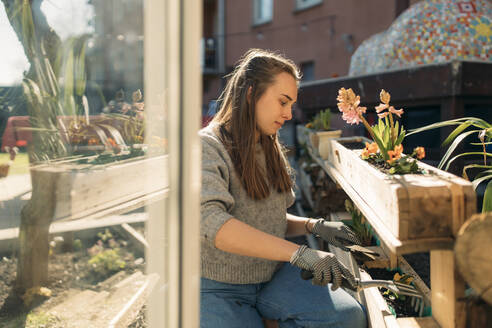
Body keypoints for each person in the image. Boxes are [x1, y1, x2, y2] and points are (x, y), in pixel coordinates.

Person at [200, 48, 367, 328]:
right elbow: (213, 225)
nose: (289, 114)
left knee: (347, 318)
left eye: (291, 104)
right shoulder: (207, 146)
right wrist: (301, 254)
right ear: (251, 93)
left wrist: (314, 226)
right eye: (282, 102)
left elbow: (268, 219)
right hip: (216, 287)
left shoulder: (268, 146)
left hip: (270, 276)